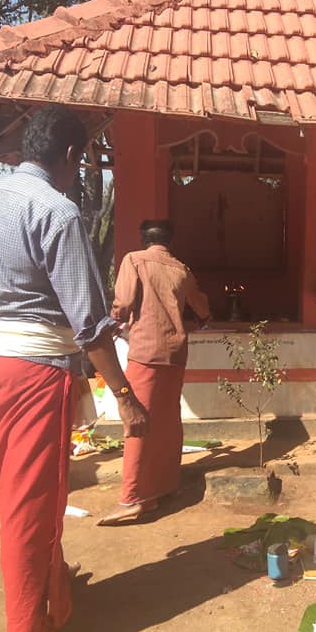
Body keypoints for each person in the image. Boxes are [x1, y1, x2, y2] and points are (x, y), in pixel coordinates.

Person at [0, 106, 148, 632]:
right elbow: (88, 323)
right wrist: (125, 395)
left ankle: (53, 596)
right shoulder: (57, 212)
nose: (79, 171)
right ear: (67, 157)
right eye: (81, 160)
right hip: (35, 371)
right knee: (31, 505)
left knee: (23, 490)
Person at [97, 220, 209, 526]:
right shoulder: (181, 268)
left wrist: (115, 322)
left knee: (138, 422)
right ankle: (165, 486)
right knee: (168, 419)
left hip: (146, 351)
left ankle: (132, 498)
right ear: (169, 240)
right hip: (176, 353)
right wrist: (194, 324)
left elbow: (122, 303)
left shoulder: (133, 260)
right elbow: (202, 308)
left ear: (143, 238)